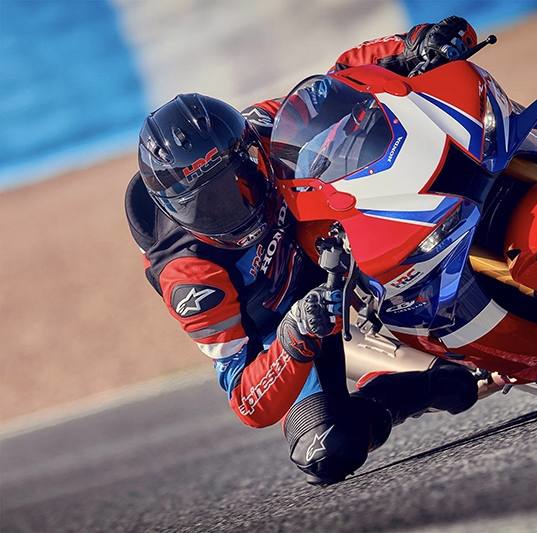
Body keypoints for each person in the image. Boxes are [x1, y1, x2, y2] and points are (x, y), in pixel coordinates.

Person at [125, 17, 482, 485]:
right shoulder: (188, 276)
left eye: (242, 178)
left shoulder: (262, 126)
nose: (237, 205)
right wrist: (295, 333)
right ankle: (415, 386)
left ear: (248, 148)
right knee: (327, 450)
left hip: (335, 240)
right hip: (294, 321)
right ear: (174, 211)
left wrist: (412, 45)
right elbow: (246, 401)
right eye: (208, 205)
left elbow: (341, 82)